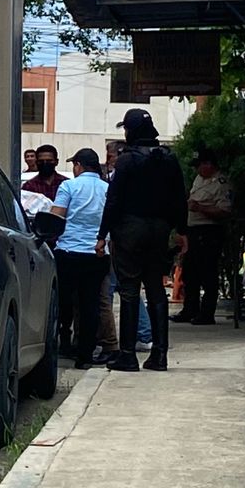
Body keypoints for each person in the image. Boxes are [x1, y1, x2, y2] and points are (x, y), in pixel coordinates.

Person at [97, 108, 188, 372]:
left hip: (130, 230)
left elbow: (113, 201)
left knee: (129, 291)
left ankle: (127, 355)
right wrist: (181, 231)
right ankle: (160, 355)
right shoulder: (169, 159)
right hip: (159, 230)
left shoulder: (127, 161)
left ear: (131, 130)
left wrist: (102, 235)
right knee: (157, 290)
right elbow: (179, 198)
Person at [50, 149, 111, 369]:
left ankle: (61, 344)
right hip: (97, 254)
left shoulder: (68, 186)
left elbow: (56, 216)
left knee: (62, 302)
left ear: (78, 165)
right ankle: (85, 356)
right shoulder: (108, 189)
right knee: (90, 305)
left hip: (68, 252)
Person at [95, 140, 149, 362]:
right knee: (128, 289)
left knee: (114, 291)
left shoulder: (122, 176)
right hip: (123, 238)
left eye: (111, 156)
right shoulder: (117, 176)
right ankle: (144, 333)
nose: (109, 160)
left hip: (120, 240)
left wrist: (102, 236)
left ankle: (126, 340)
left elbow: (112, 206)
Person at [177, 148, 233, 325]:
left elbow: (225, 210)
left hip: (209, 232)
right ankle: (190, 309)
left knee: (208, 274)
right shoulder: (200, 179)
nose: (197, 170)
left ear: (209, 165)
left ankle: (207, 313)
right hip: (193, 230)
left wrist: (201, 208)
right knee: (190, 273)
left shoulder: (221, 183)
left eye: (200, 165)